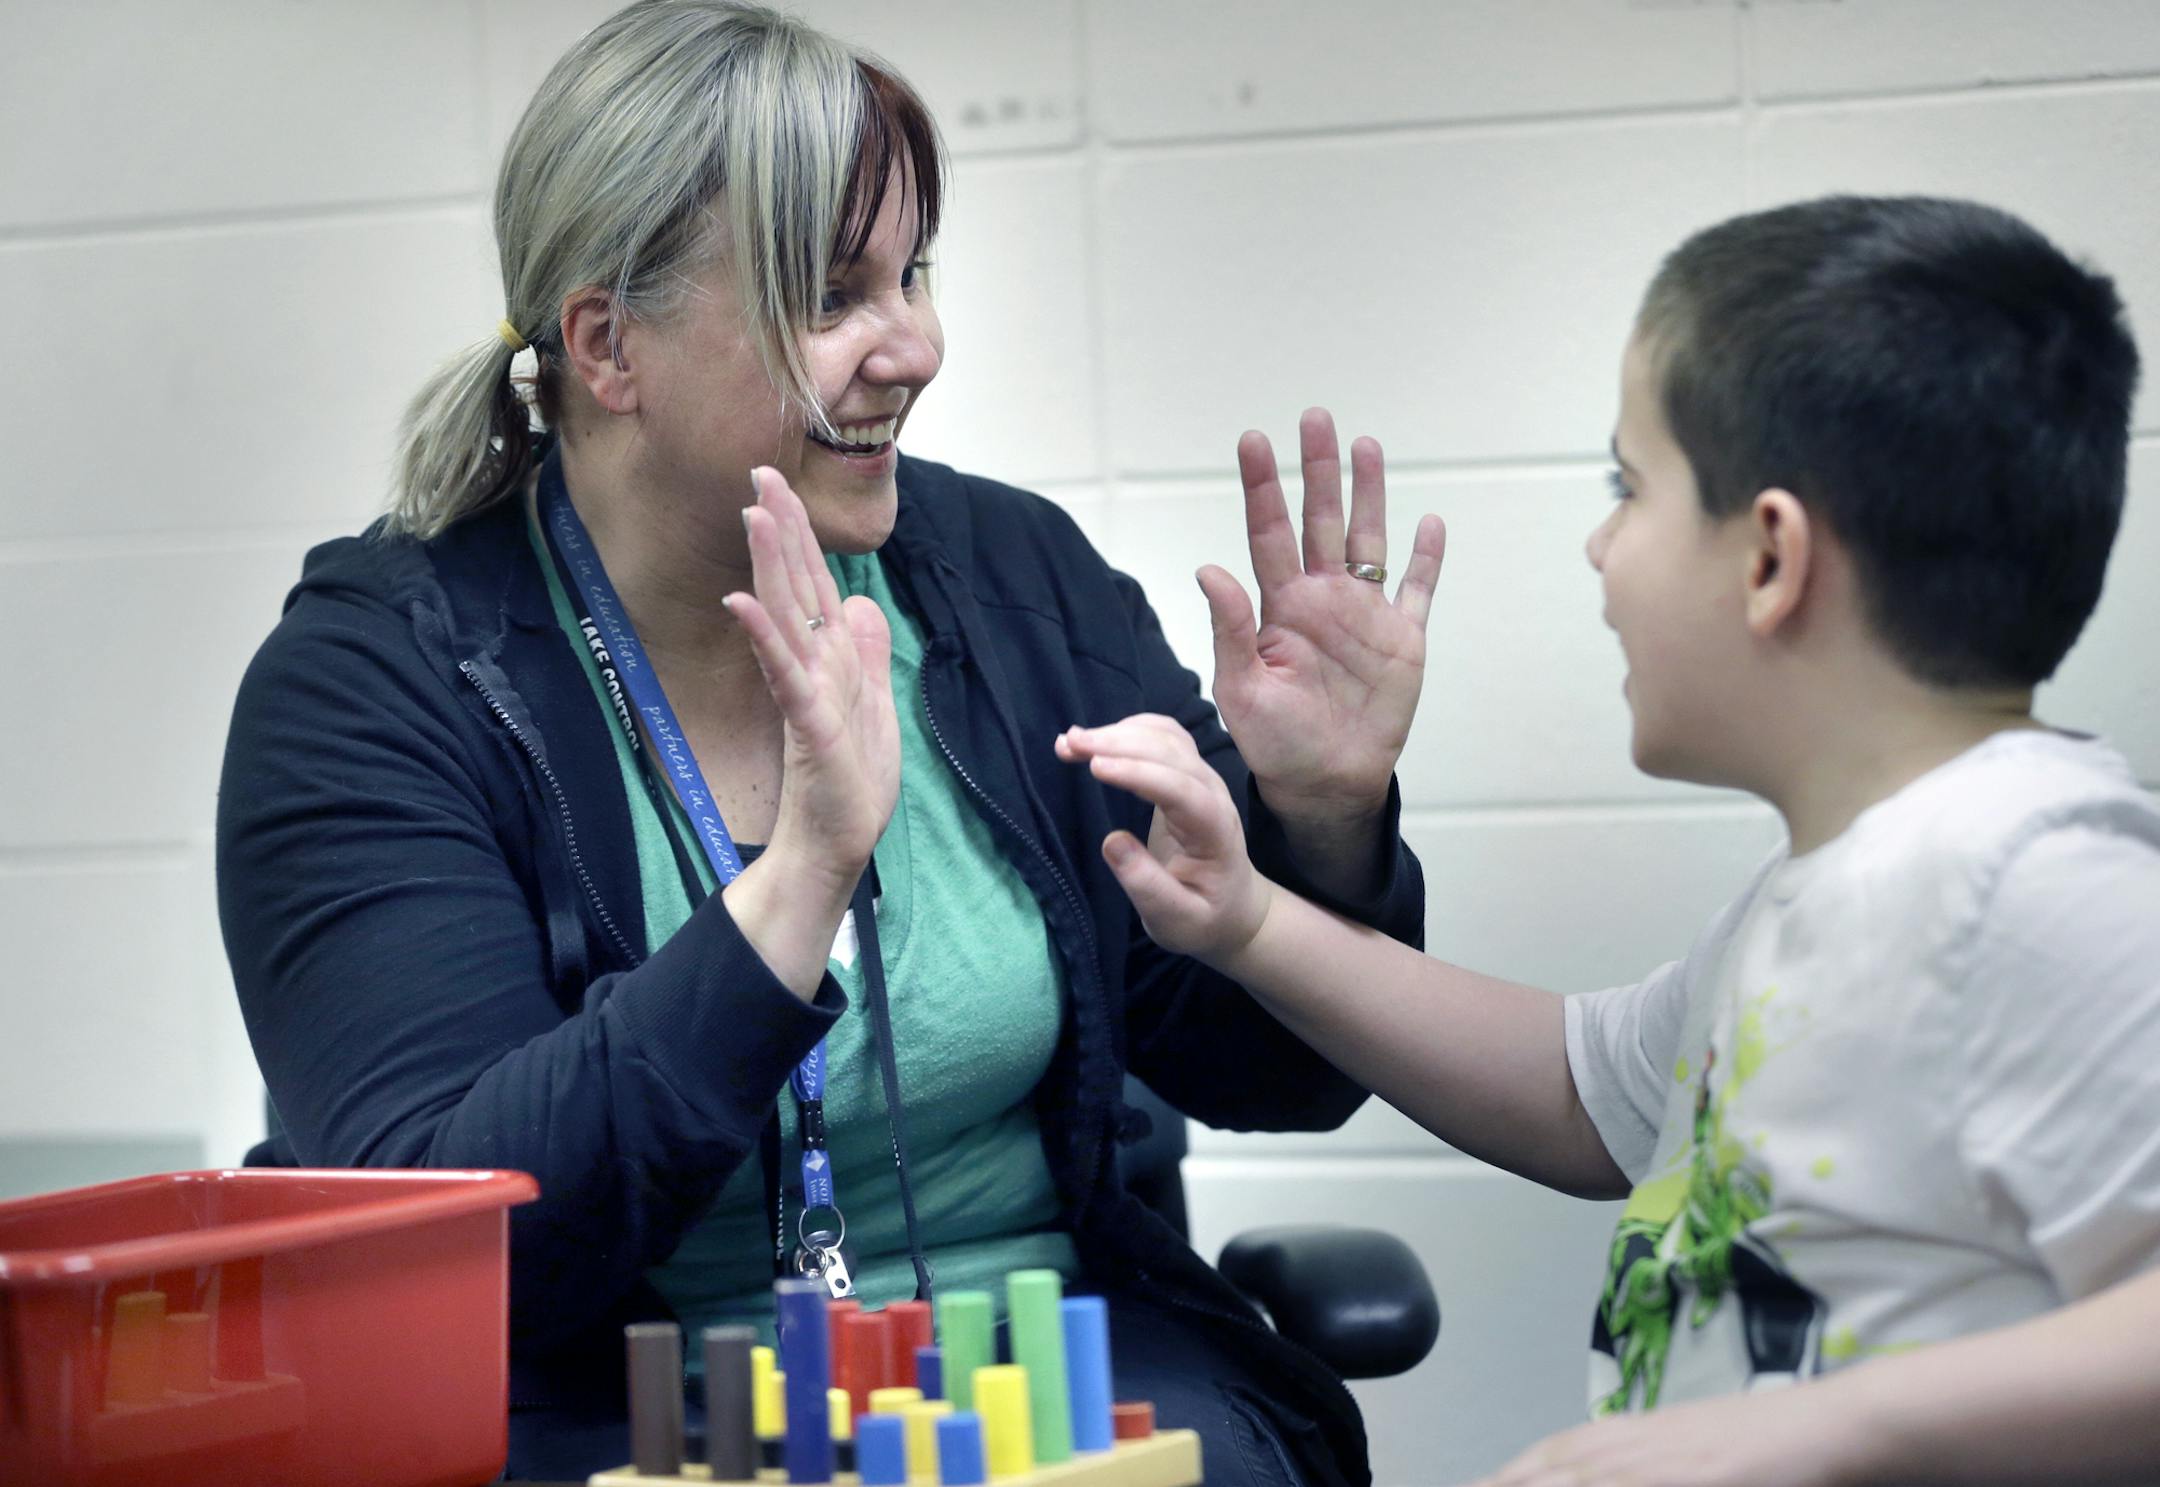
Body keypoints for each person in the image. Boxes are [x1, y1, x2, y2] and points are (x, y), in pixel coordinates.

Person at [215, 3, 1444, 1482]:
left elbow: (1279, 1075)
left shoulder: (1009, 582)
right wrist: (795, 884)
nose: (915, 346)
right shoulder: (376, 686)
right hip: (614, 1424)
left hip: (1049, 1389)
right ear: (611, 346)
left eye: (913, 274)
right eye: (831, 293)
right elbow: (460, 1261)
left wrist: (1320, 821)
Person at [1058, 194, 2160, 1485]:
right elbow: (1582, 1095)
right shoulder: (1827, 896)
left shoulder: (2039, 881)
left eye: (1628, 489)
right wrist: (1250, 921)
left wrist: (1813, 1432)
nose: (1599, 542)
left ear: (1769, 561)